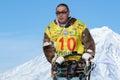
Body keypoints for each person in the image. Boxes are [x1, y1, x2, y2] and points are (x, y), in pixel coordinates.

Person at [43, 3, 95, 76]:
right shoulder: (50, 28)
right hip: (60, 65)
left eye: (63, 12)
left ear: (68, 12)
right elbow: (47, 46)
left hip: (79, 65)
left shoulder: (80, 25)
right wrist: (54, 59)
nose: (60, 15)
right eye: (58, 13)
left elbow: (89, 42)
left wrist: (88, 55)